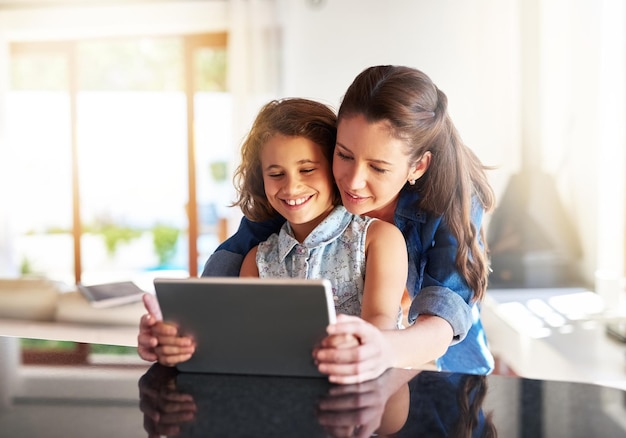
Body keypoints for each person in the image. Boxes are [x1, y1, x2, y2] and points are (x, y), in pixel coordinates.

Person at [139, 65, 496, 384]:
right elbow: (235, 261)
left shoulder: (453, 200)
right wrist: (184, 327)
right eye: (343, 155)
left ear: (417, 167)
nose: (353, 181)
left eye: (379, 168)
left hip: (447, 370)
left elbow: (444, 315)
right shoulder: (303, 195)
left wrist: (379, 349)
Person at [142, 97, 408, 366]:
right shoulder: (257, 262)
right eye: (276, 174)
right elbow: (241, 345)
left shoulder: (378, 240)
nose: (291, 188)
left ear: (335, 169)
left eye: (307, 169)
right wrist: (175, 344)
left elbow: (381, 324)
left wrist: (353, 345)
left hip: (371, 394)